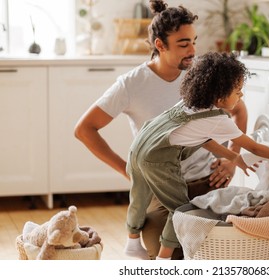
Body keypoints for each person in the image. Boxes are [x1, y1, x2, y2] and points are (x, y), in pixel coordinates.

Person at [74, 0, 247, 260]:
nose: (192, 51)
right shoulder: (132, 84)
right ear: (160, 45)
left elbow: (239, 110)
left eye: (193, 41)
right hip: (160, 190)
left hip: (206, 180)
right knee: (167, 253)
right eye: (183, 44)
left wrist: (231, 159)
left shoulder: (201, 73)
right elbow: (85, 129)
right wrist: (131, 172)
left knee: (215, 249)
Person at [125, 51, 269, 260]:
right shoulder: (218, 120)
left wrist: (234, 158)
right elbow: (255, 148)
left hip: (138, 148)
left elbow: (204, 139)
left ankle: (132, 241)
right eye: (238, 91)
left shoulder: (190, 103)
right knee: (181, 210)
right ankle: (163, 260)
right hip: (157, 160)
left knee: (139, 195)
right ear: (220, 97)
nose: (241, 96)